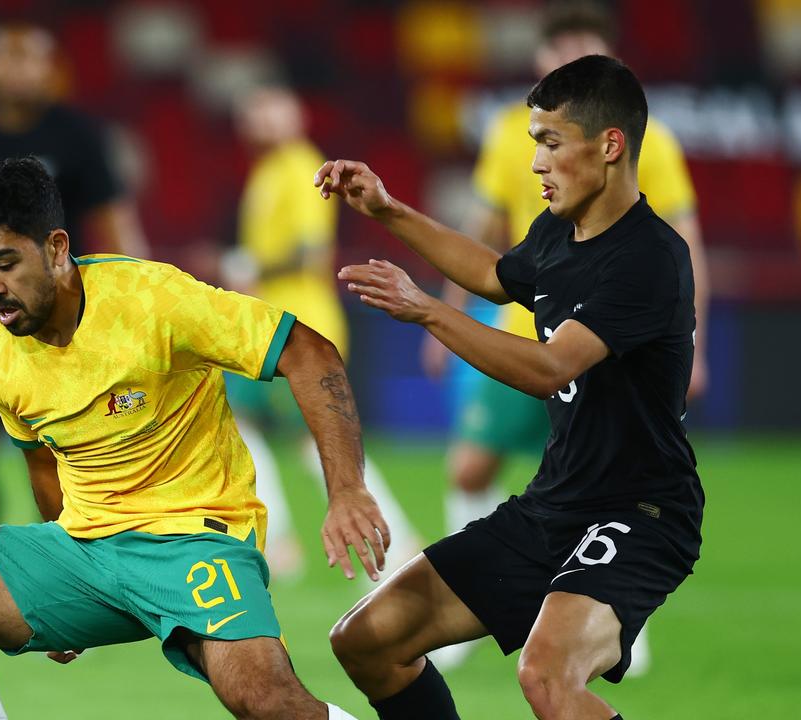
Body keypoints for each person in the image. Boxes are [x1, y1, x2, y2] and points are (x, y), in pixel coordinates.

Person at [0, 157, 385, 719]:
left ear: (58, 248)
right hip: (88, 550)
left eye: (6, 262)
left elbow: (309, 353)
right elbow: (43, 461)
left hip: (194, 537)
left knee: (266, 702)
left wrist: (347, 490)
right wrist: (56, 579)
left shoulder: (153, 300)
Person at [322, 55, 704, 720]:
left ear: (609, 145)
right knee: (367, 641)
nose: (536, 164)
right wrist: (388, 210)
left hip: (639, 512)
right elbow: (497, 275)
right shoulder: (560, 232)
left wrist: (429, 311)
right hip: (557, 504)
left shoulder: (650, 258)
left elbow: (550, 368)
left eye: (551, 143)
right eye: (535, 144)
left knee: (547, 677)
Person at [422, 1, 708, 671]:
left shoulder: (650, 142)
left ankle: (614, 621)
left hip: (612, 343)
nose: (540, 159)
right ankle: (482, 606)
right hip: (522, 325)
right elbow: (490, 240)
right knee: (474, 467)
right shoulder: (506, 134)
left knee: (613, 480)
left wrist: (699, 339)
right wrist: (445, 311)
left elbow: (683, 240)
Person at [0, 23, 147, 529]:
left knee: (62, 451)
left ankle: (71, 553)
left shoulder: (76, 134)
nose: (18, 69)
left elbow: (114, 217)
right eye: (7, 57)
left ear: (49, 70)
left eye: (30, 59)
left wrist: (136, 289)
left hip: (62, 312)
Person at [223, 86, 423, 582]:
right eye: (255, 111)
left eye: (271, 110)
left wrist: (252, 267)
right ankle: (278, 541)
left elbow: (311, 252)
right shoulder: (267, 172)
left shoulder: (300, 168)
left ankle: (387, 534)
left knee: (316, 438)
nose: (260, 119)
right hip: (268, 328)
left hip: (298, 329)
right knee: (249, 426)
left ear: (297, 116)